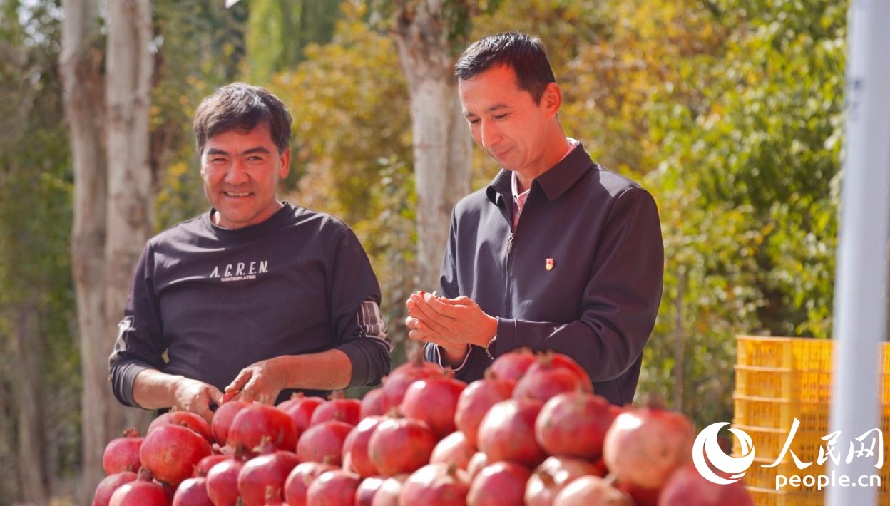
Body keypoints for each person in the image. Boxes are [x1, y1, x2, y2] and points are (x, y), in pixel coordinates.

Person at [405, 32, 664, 406]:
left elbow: (610, 346)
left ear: (550, 100)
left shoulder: (620, 205)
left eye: (500, 115)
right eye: (474, 120)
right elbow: (446, 366)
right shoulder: (470, 215)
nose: (487, 138)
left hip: (579, 435)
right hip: (479, 436)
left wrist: (492, 332)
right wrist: (448, 341)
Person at [109, 83, 392, 421]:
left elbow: (373, 353)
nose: (235, 176)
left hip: (302, 447)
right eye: (219, 159)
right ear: (202, 165)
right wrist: (176, 389)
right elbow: (124, 370)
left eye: (253, 158)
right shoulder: (162, 254)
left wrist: (283, 373)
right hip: (189, 448)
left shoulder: (328, 241)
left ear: (283, 162)